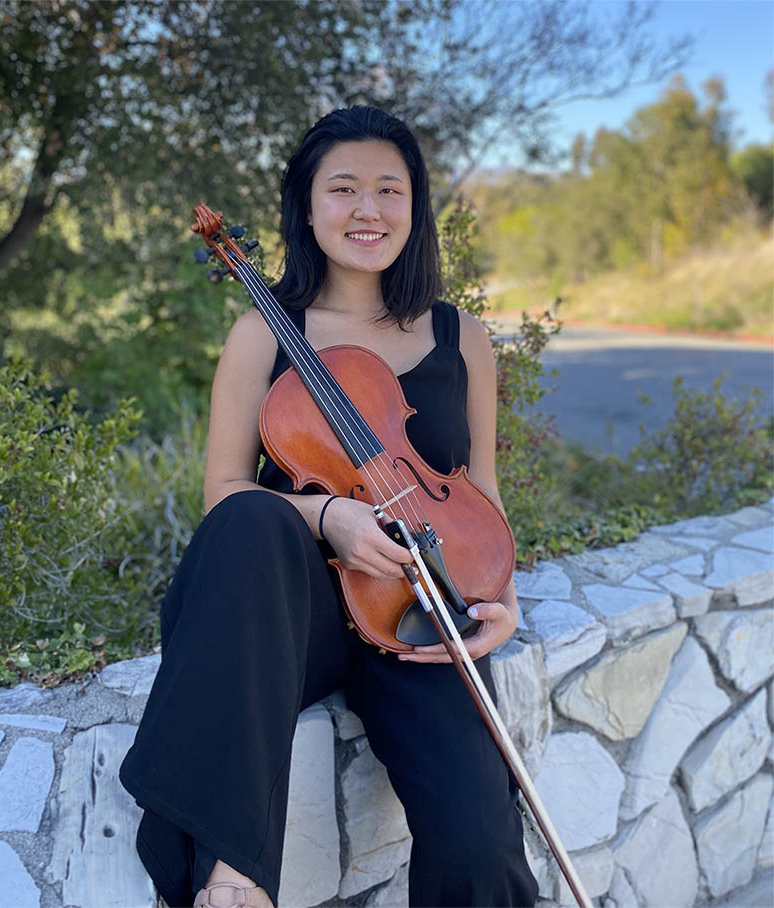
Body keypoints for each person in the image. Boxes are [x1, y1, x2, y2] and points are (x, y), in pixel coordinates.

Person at [119, 105, 539, 908]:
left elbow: (480, 491)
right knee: (250, 521)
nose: (368, 210)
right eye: (343, 189)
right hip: (291, 619)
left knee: (481, 839)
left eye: (390, 190)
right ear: (307, 207)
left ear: (415, 209)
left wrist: (501, 595)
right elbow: (224, 492)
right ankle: (233, 881)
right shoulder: (260, 334)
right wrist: (327, 518)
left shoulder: (463, 338)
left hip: (419, 609)